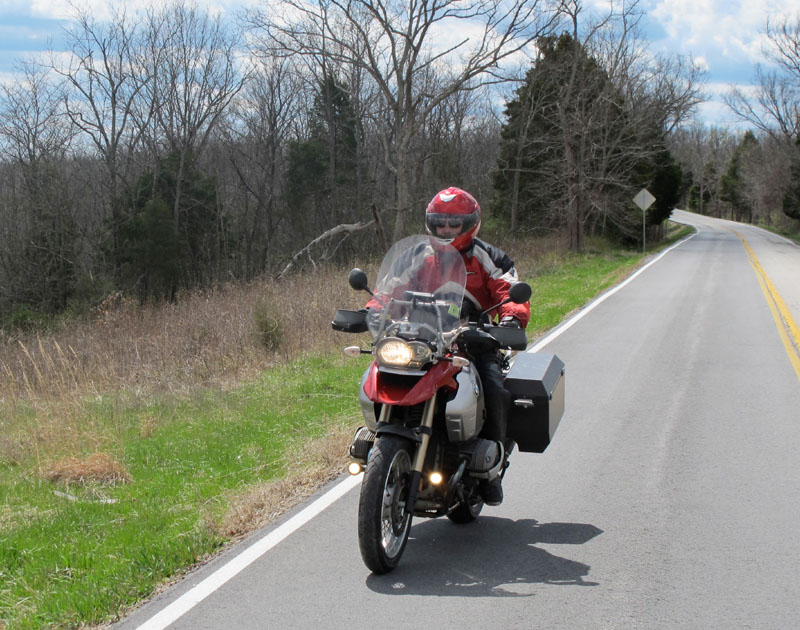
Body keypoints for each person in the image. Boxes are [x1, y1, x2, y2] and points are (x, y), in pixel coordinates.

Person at [424, 186, 530, 506]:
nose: (446, 229)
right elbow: (391, 289)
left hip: (475, 340)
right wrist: (373, 309)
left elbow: (508, 289)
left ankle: (491, 471)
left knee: (495, 390)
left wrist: (511, 319)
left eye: (453, 224)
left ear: (470, 224)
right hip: (425, 339)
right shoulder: (419, 257)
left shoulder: (489, 257)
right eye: (440, 223)